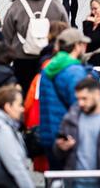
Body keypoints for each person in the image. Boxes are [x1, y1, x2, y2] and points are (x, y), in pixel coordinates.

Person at [2, 0, 69, 91]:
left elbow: (6, 34)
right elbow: (66, 30)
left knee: (25, 90)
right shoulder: (55, 4)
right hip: (50, 57)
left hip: (21, 56)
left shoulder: (17, 5)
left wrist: (8, 56)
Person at [38, 28, 95, 169]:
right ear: (76, 46)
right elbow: (81, 105)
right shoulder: (73, 71)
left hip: (51, 133)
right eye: (82, 44)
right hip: (68, 136)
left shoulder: (51, 66)